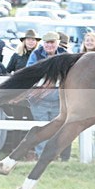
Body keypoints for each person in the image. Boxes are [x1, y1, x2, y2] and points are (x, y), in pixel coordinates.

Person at [26, 31, 69, 160]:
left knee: (57, 130)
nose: (49, 45)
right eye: (47, 43)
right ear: (43, 44)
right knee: (42, 129)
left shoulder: (65, 54)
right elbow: (30, 71)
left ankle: (54, 156)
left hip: (59, 100)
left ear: (57, 43)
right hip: (39, 100)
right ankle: (43, 157)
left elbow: (70, 72)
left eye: (52, 42)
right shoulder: (36, 54)